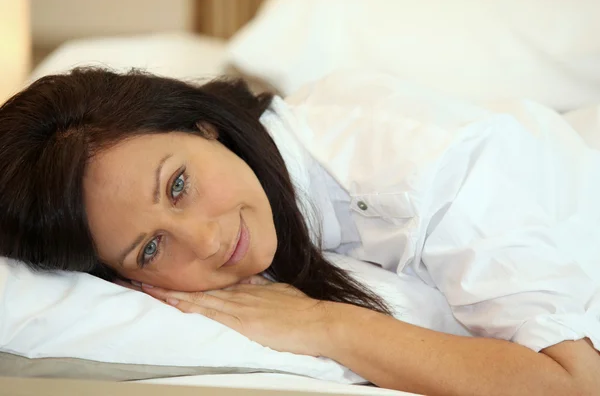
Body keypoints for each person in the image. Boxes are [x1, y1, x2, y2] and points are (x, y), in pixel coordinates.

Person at [0, 68, 598, 396]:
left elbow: (572, 386)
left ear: (204, 127)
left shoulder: (416, 162)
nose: (205, 243)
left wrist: (325, 325)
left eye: (178, 185)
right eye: (151, 247)